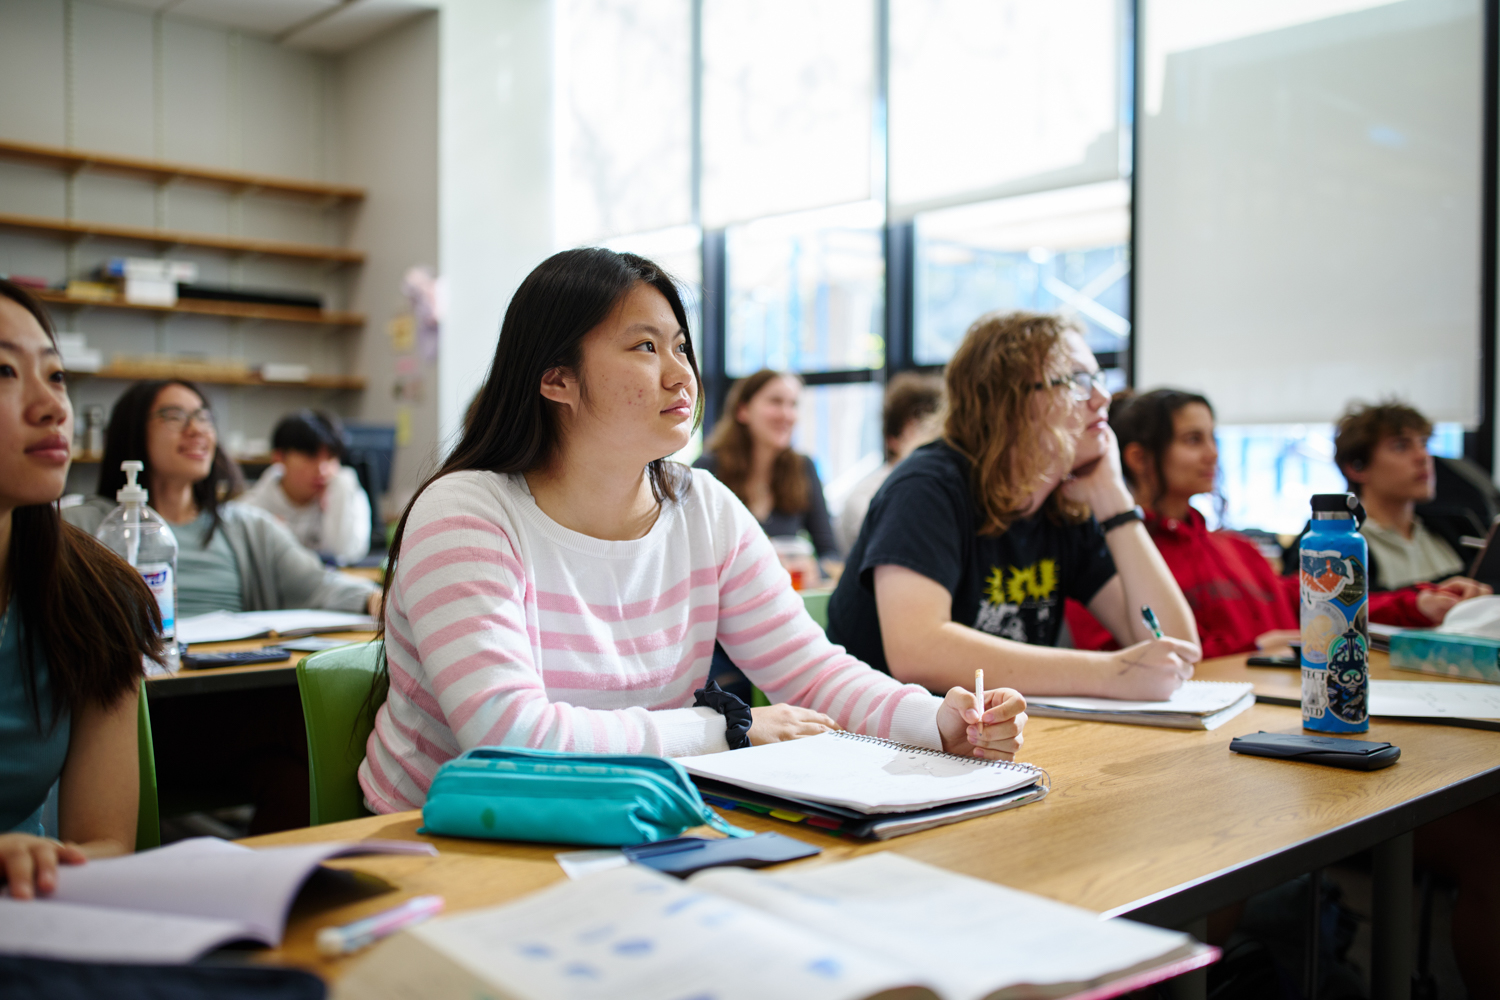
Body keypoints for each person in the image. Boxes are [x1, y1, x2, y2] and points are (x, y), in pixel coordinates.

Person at [357, 249, 1025, 813]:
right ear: (556, 379)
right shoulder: (465, 514)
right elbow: (507, 738)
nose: (682, 374)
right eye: (645, 347)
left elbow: (810, 672)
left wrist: (938, 723)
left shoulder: (702, 507)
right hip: (448, 841)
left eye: (680, 345)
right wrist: (729, 727)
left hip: (634, 821)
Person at [826, 310, 1202, 700]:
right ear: (1009, 402)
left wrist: (1116, 504)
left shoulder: (1063, 505)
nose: (1102, 398)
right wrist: (1109, 673)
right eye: (1077, 381)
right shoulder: (926, 487)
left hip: (980, 738)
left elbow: (1175, 650)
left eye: (1099, 379)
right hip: (874, 740)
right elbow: (917, 652)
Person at [1063, 389, 1487, 659]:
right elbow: (1115, 656)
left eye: (1213, 438)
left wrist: (1416, 603)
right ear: (1138, 457)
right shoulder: (1109, 554)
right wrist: (1258, 647)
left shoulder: (1237, 549)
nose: (1213, 454)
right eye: (1194, 440)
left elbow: (1311, 602)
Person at [0, 278, 162, 898]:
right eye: (4, 371)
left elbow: (105, 843)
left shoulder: (98, 598)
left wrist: (39, 867)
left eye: (57, 376)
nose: (51, 407)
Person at [62, 382, 379, 618]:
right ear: (130, 431)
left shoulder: (247, 526)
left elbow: (317, 584)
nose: (197, 429)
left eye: (204, 417)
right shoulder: (80, 527)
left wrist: (375, 600)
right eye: (175, 417)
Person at [696, 369, 840, 574]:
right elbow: (689, 554)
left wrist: (813, 569)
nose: (787, 415)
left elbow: (832, 556)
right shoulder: (708, 470)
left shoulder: (803, 468)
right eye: (775, 402)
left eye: (793, 405)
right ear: (742, 410)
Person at [1335, 400, 1473, 590]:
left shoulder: (1459, 529)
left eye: (1424, 443)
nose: (1423, 456)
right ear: (1357, 467)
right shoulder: (1332, 546)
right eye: (1400, 446)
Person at [240, 409, 372, 566]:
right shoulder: (250, 510)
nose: (322, 470)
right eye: (311, 457)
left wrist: (341, 494)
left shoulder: (345, 493)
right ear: (279, 458)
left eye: (330, 458)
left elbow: (346, 556)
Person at [836, 372, 944, 554]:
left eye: (937, 428)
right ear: (892, 438)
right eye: (922, 429)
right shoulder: (867, 496)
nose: (933, 438)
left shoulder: (941, 488)